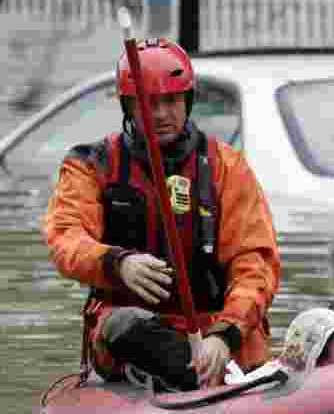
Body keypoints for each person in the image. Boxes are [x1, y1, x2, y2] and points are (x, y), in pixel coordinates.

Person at [42, 38, 280, 392]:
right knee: (123, 323)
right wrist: (116, 263)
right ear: (128, 107)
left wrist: (224, 333)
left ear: (187, 101)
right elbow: (65, 239)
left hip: (216, 334)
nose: (161, 114)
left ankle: (211, 373)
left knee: (238, 330)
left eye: (171, 101)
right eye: (148, 104)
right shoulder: (92, 165)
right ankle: (187, 373)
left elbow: (255, 264)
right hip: (134, 332)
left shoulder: (227, 167)